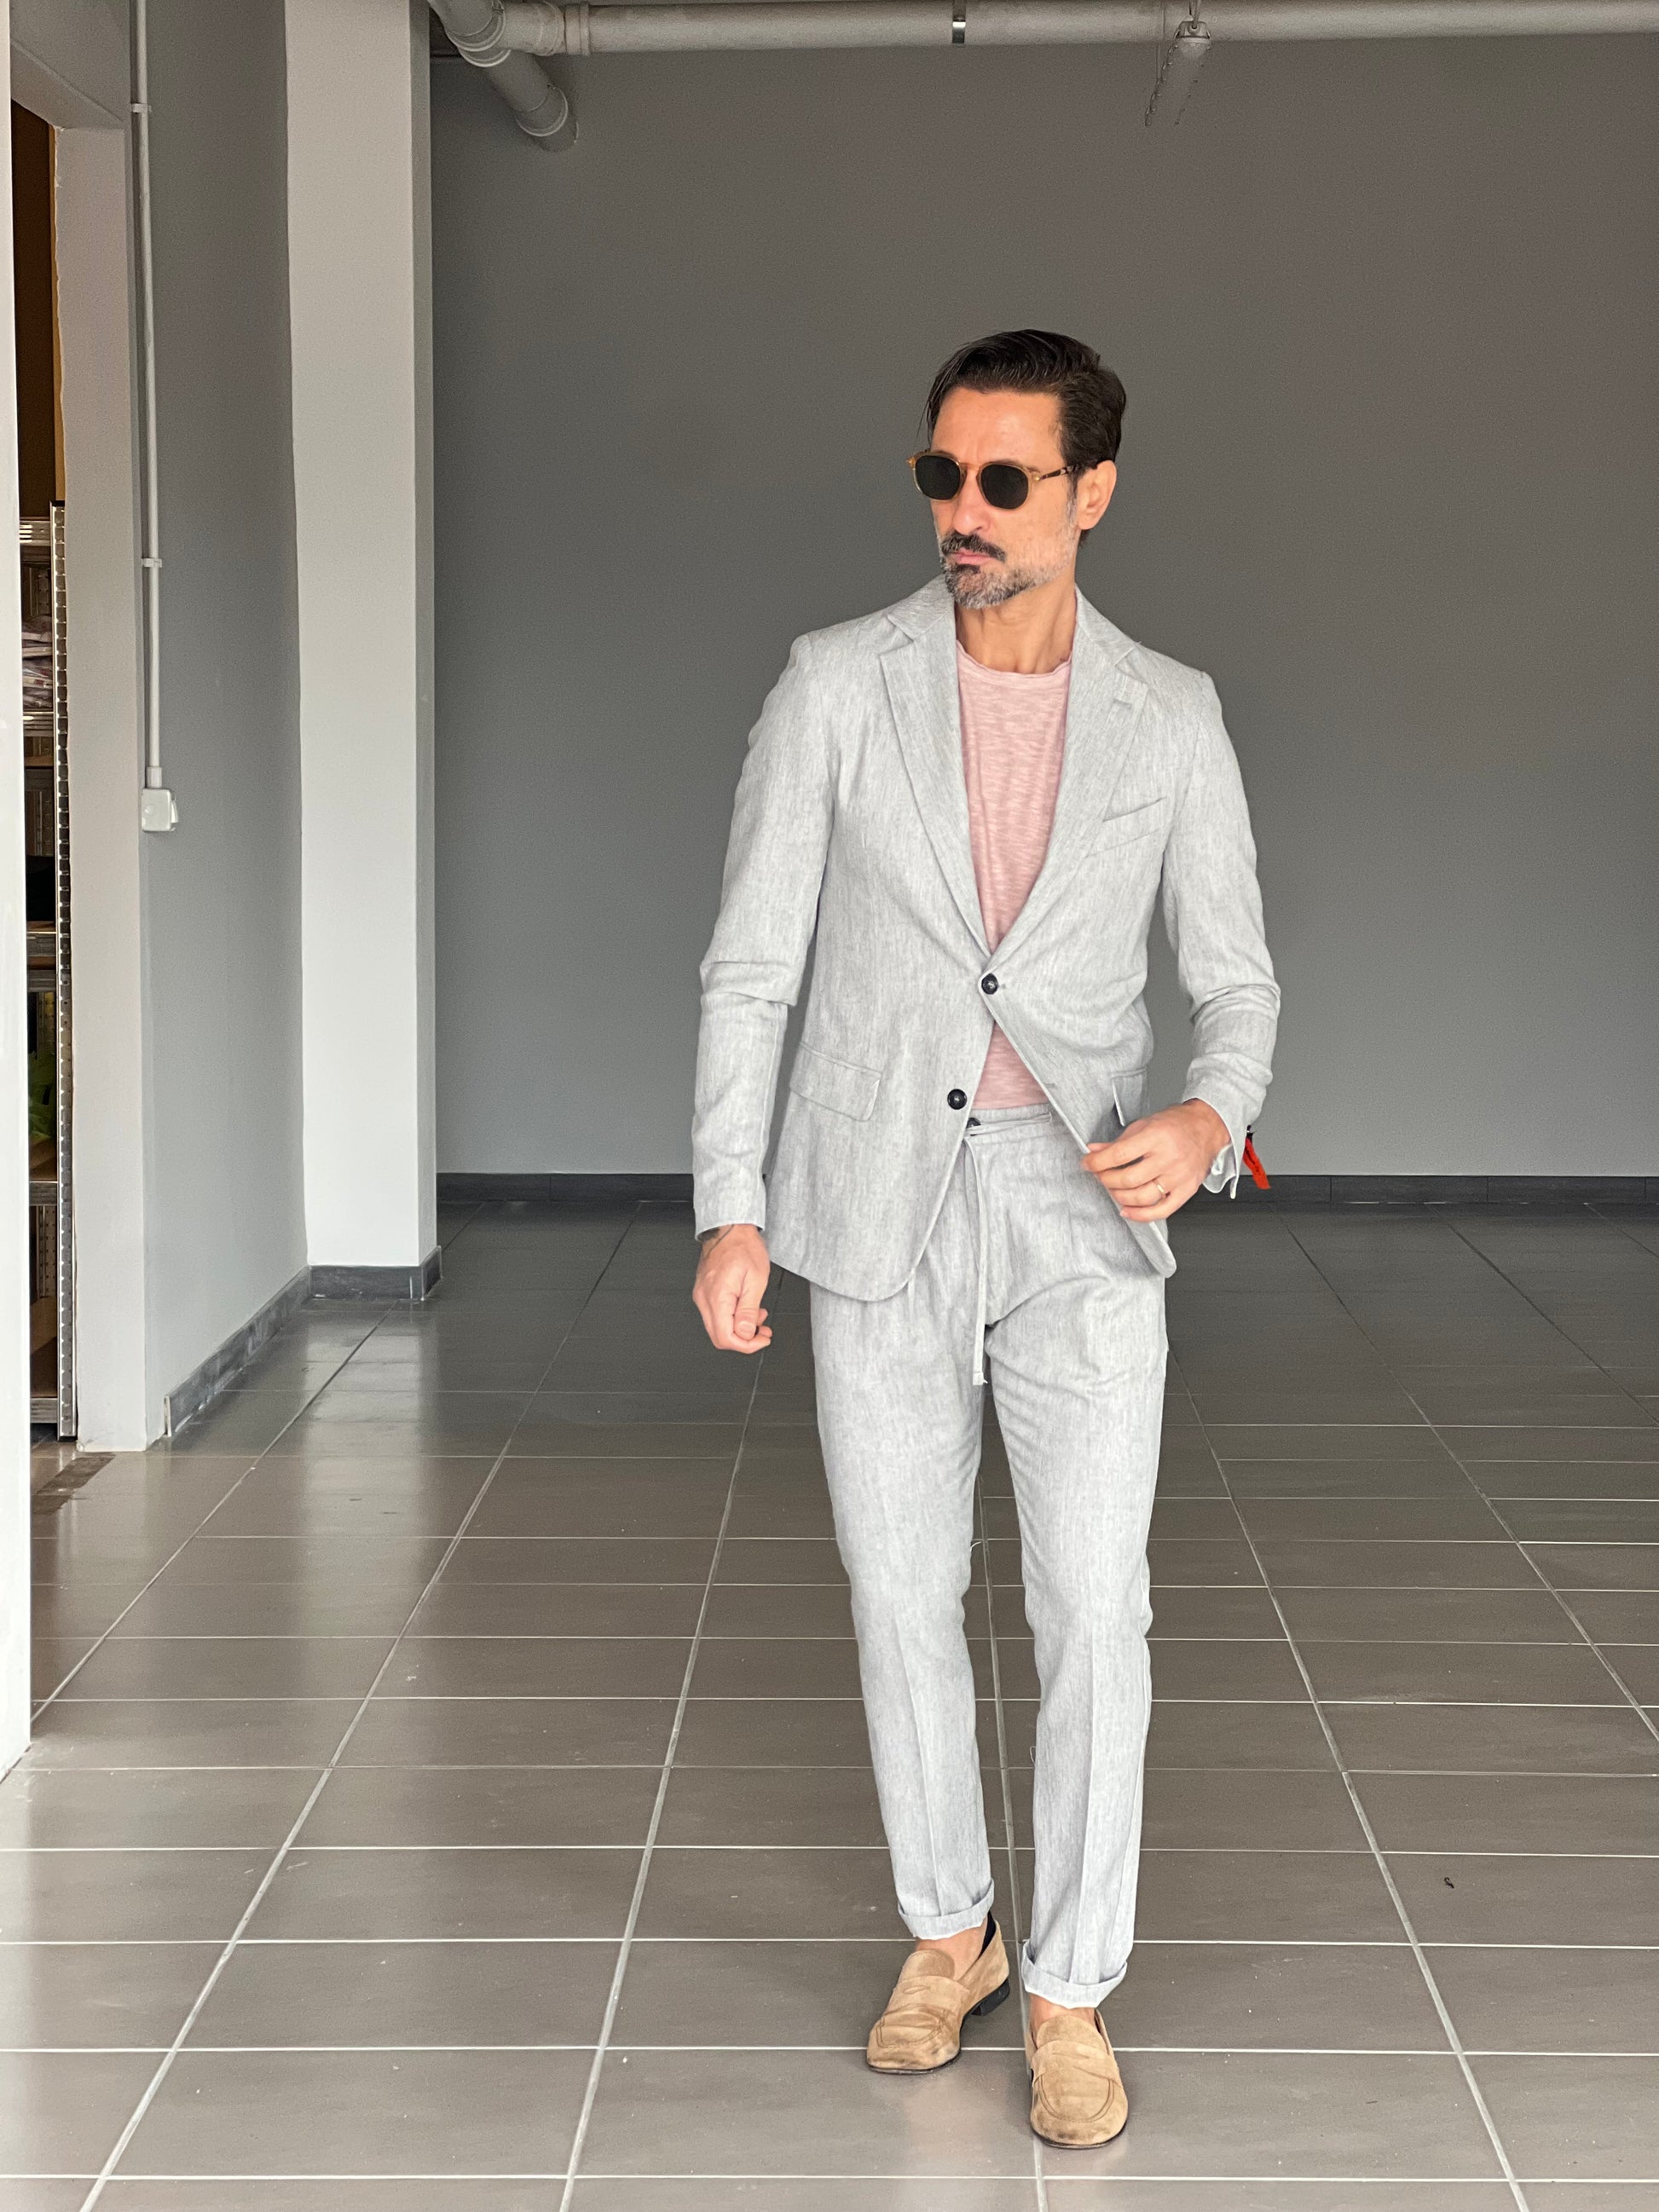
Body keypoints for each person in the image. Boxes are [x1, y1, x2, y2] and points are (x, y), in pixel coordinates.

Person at [690, 328, 1278, 2148]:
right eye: (940, 473)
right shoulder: (833, 684)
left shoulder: (1169, 713)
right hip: (872, 1199)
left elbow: (1237, 982)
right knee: (898, 1592)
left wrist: (1211, 1117)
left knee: (1094, 1604)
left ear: (1090, 493)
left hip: (1081, 1203)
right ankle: (952, 1931)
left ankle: (1074, 1986)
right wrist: (730, 1204)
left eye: (1004, 479)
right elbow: (752, 962)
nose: (964, 508)